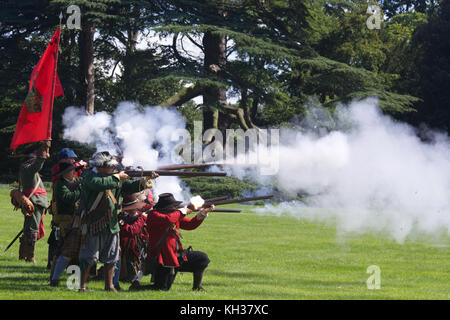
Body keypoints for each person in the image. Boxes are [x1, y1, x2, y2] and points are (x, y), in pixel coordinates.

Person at [78, 151, 157, 292]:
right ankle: (82, 286)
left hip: (112, 223)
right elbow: (99, 184)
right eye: (111, 167)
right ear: (101, 166)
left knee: (112, 257)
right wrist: (117, 177)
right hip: (93, 223)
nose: (113, 169)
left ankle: (109, 286)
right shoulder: (89, 176)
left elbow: (128, 188)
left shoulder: (113, 178)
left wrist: (144, 181)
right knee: (89, 257)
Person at [130, 193, 214, 291]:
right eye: (173, 206)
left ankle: (197, 287)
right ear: (166, 207)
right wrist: (182, 211)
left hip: (177, 255)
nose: (175, 207)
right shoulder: (154, 215)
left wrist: (203, 213)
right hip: (162, 259)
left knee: (201, 258)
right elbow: (168, 220)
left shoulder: (174, 215)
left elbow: (190, 225)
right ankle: (136, 288)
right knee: (162, 288)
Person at [47, 147, 87, 269]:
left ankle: (66, 267)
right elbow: (69, 196)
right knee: (59, 241)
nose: (72, 161)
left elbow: (79, 177)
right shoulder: (59, 178)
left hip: (71, 213)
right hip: (62, 212)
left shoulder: (70, 173)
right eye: (71, 159)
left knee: (67, 242)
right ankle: (53, 267)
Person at [49, 162, 83, 287]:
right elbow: (69, 197)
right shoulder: (59, 185)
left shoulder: (73, 181)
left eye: (74, 170)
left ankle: (72, 279)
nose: (74, 172)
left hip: (74, 221)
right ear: (64, 173)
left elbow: (82, 179)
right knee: (63, 251)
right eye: (71, 171)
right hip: (65, 222)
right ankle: (54, 278)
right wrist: (81, 190)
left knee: (74, 252)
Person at [16, 141, 50, 263]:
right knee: (32, 230)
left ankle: (23, 255)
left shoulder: (27, 169)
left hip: (36, 202)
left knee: (29, 229)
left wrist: (45, 150)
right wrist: (42, 154)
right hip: (34, 202)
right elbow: (37, 166)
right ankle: (30, 257)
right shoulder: (27, 169)